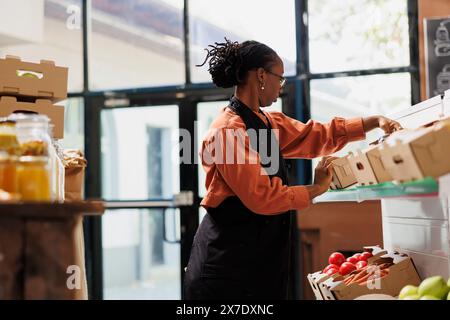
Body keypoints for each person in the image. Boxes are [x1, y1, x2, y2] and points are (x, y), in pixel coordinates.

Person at [184, 38, 401, 300]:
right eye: (281, 78)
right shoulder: (226, 132)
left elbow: (316, 136)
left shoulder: (267, 122)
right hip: (225, 267)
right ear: (261, 76)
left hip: (256, 259)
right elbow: (262, 197)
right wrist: (316, 188)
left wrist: (374, 121)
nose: (281, 87)